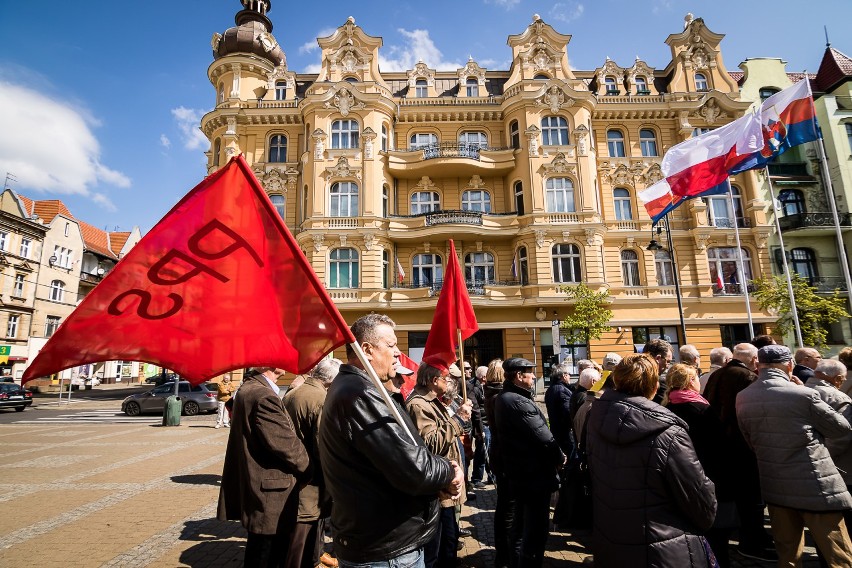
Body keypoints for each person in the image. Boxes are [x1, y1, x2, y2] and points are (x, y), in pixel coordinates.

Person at [318, 314, 463, 568]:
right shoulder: (359, 394)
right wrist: (448, 471)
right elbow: (412, 467)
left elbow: (404, 453)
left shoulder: (361, 388)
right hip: (385, 549)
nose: (398, 353)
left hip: (384, 539)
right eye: (391, 345)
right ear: (366, 350)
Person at [586, 354, 717, 567]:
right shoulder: (669, 432)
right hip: (665, 545)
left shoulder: (597, 418)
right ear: (655, 386)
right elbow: (701, 504)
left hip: (612, 537)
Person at [737, 345, 852, 566]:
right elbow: (842, 429)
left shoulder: (743, 396)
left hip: (775, 484)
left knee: (788, 555)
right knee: (838, 554)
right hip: (815, 484)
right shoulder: (805, 394)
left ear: (759, 365)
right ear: (789, 365)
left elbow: (749, 439)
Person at [218, 367, 311, 568]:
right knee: (268, 555)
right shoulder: (263, 395)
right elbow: (287, 445)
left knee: (261, 550)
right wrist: (310, 469)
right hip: (271, 492)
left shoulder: (250, 388)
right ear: (264, 364)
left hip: (263, 487)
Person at [703, 342, 775, 562]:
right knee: (751, 498)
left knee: (738, 496)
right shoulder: (747, 377)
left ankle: (745, 537)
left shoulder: (717, 375)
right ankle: (752, 541)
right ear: (754, 360)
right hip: (743, 446)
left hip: (721, 445)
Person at [493, 357, 565, 568]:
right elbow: (543, 436)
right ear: (518, 376)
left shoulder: (508, 397)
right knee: (534, 531)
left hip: (522, 473)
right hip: (532, 475)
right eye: (530, 372)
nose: (534, 376)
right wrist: (559, 457)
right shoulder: (516, 400)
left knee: (520, 527)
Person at [663, 364, 733, 567]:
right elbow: (720, 445)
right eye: (695, 378)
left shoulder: (668, 407)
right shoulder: (702, 409)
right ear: (690, 382)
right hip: (709, 475)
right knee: (717, 535)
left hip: (683, 477)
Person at [407, 361, 472, 568]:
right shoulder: (419, 404)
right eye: (446, 378)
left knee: (448, 539)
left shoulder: (432, 400)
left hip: (445, 484)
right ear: (435, 381)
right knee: (436, 546)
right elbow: (431, 444)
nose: (449, 381)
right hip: (437, 488)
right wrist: (459, 419)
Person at [282, 358, 342, 568]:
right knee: (301, 535)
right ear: (332, 381)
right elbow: (322, 444)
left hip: (295, 472)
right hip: (310, 475)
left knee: (303, 531)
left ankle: (315, 558)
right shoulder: (320, 398)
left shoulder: (295, 392)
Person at [806, 359, 852, 529]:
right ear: (838, 378)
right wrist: (824, 458)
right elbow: (842, 436)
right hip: (838, 467)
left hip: (809, 464)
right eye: (843, 379)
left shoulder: (800, 390)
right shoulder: (837, 397)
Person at [483, 358, 511, 568]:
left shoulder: (489, 391)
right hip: (504, 455)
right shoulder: (499, 396)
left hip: (497, 453)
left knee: (504, 504)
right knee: (507, 508)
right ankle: (504, 554)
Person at [545, 362, 574, 529]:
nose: (569, 377)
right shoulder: (562, 390)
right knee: (567, 470)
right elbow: (567, 415)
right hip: (564, 435)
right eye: (568, 375)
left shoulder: (552, 389)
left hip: (557, 433)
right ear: (563, 376)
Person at [470, 365, 489, 488]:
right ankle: (476, 478)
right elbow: (476, 410)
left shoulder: (485, 386)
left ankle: (492, 475)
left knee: (489, 450)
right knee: (482, 450)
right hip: (481, 424)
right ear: (483, 377)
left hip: (488, 422)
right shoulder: (474, 388)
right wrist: (480, 429)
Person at [643, 337, 673, 404]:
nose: (667, 366)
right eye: (668, 361)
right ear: (658, 358)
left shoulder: (629, 379)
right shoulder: (659, 383)